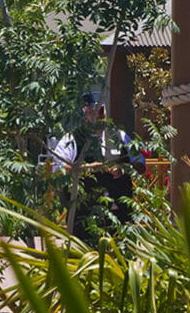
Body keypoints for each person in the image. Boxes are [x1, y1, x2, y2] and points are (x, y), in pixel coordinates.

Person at [51, 91, 145, 241]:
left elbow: (141, 165)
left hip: (118, 214)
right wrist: (89, 168)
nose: (97, 116)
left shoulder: (119, 136)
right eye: (91, 112)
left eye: (100, 111)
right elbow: (58, 170)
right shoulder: (72, 139)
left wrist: (124, 169)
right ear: (85, 113)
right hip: (85, 216)